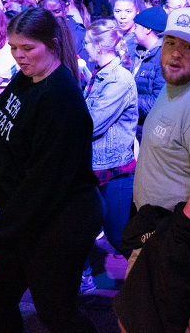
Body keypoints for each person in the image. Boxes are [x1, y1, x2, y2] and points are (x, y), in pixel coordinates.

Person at [0, 8, 102, 333]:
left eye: (27, 48)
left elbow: (42, 185)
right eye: (13, 47)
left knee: (56, 311)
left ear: (51, 44)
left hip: (62, 220)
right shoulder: (25, 78)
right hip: (28, 216)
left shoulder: (61, 98)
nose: (18, 56)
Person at [115, 7, 190, 333]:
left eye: (188, 47)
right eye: (170, 42)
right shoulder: (176, 88)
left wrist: (172, 238)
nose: (175, 54)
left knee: (141, 322)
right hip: (161, 230)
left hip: (180, 235)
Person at [80, 19, 138, 288]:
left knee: (118, 235)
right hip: (95, 166)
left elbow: (91, 124)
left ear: (100, 46)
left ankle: (154, 279)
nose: (84, 46)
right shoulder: (99, 73)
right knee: (81, 226)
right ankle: (83, 278)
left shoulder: (118, 80)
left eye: (88, 42)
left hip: (115, 169)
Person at [130, 5, 166, 125]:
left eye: (136, 27)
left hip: (149, 128)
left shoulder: (163, 58)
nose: (133, 31)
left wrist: (127, 98)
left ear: (147, 29)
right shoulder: (138, 53)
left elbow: (157, 103)